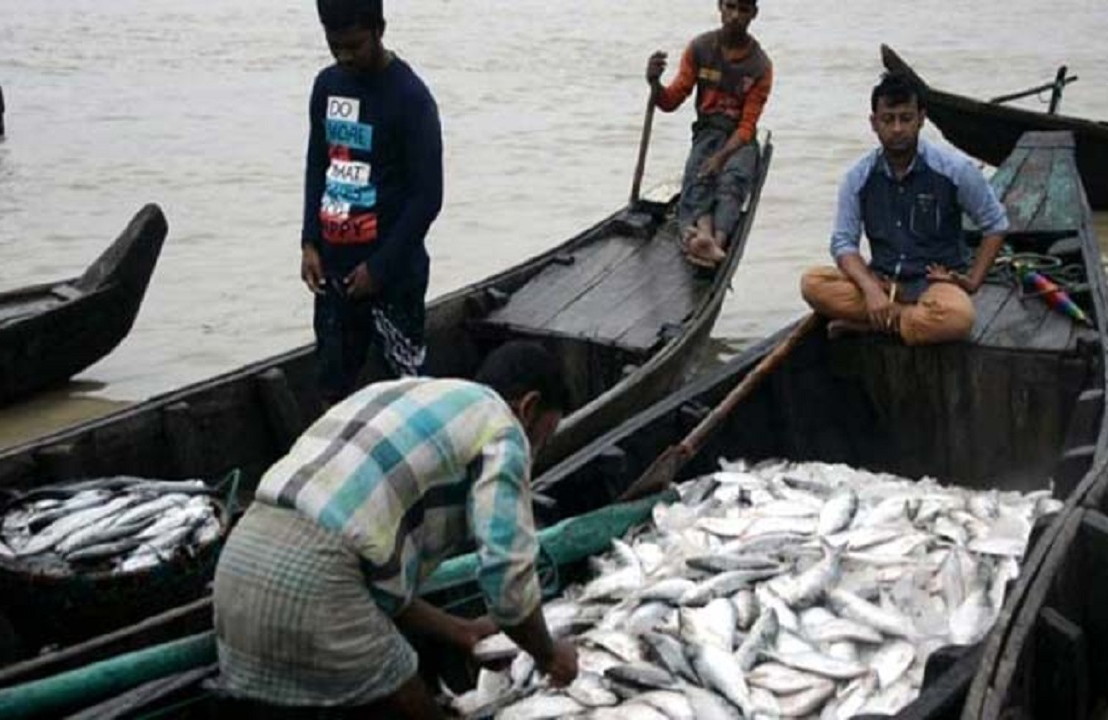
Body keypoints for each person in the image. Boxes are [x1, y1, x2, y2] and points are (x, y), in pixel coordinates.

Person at [212, 341, 579, 717]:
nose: (536, 452)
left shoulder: (402, 392)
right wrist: (548, 654)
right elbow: (506, 574)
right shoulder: (502, 425)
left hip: (237, 570)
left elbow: (369, 575)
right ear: (529, 407)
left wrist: (460, 630)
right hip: (318, 583)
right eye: (544, 439)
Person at [300, 0, 444, 409]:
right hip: (334, 272)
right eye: (334, 45)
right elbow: (318, 164)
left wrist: (379, 269)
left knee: (405, 398)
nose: (345, 57)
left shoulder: (411, 99)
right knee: (333, 390)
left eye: (355, 46)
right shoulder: (327, 87)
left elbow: (427, 198)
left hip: (393, 278)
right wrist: (310, 241)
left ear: (380, 29)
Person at [800, 72, 1010, 345]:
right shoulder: (858, 177)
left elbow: (995, 224)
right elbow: (843, 243)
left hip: (935, 285)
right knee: (813, 283)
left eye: (906, 118)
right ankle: (900, 318)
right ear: (874, 123)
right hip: (882, 281)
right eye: (888, 120)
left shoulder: (954, 170)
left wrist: (972, 282)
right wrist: (871, 289)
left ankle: (874, 323)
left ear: (921, 119)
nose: (897, 128)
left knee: (958, 319)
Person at [645, 0, 773, 270]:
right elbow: (670, 100)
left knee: (733, 181)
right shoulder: (700, 49)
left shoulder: (760, 65)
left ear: (753, 14)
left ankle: (717, 240)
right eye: (731, 6)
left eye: (743, 10)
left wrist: (723, 156)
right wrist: (654, 83)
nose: (736, 16)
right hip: (707, 131)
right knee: (699, 174)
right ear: (720, 7)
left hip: (739, 138)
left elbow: (748, 125)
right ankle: (703, 234)